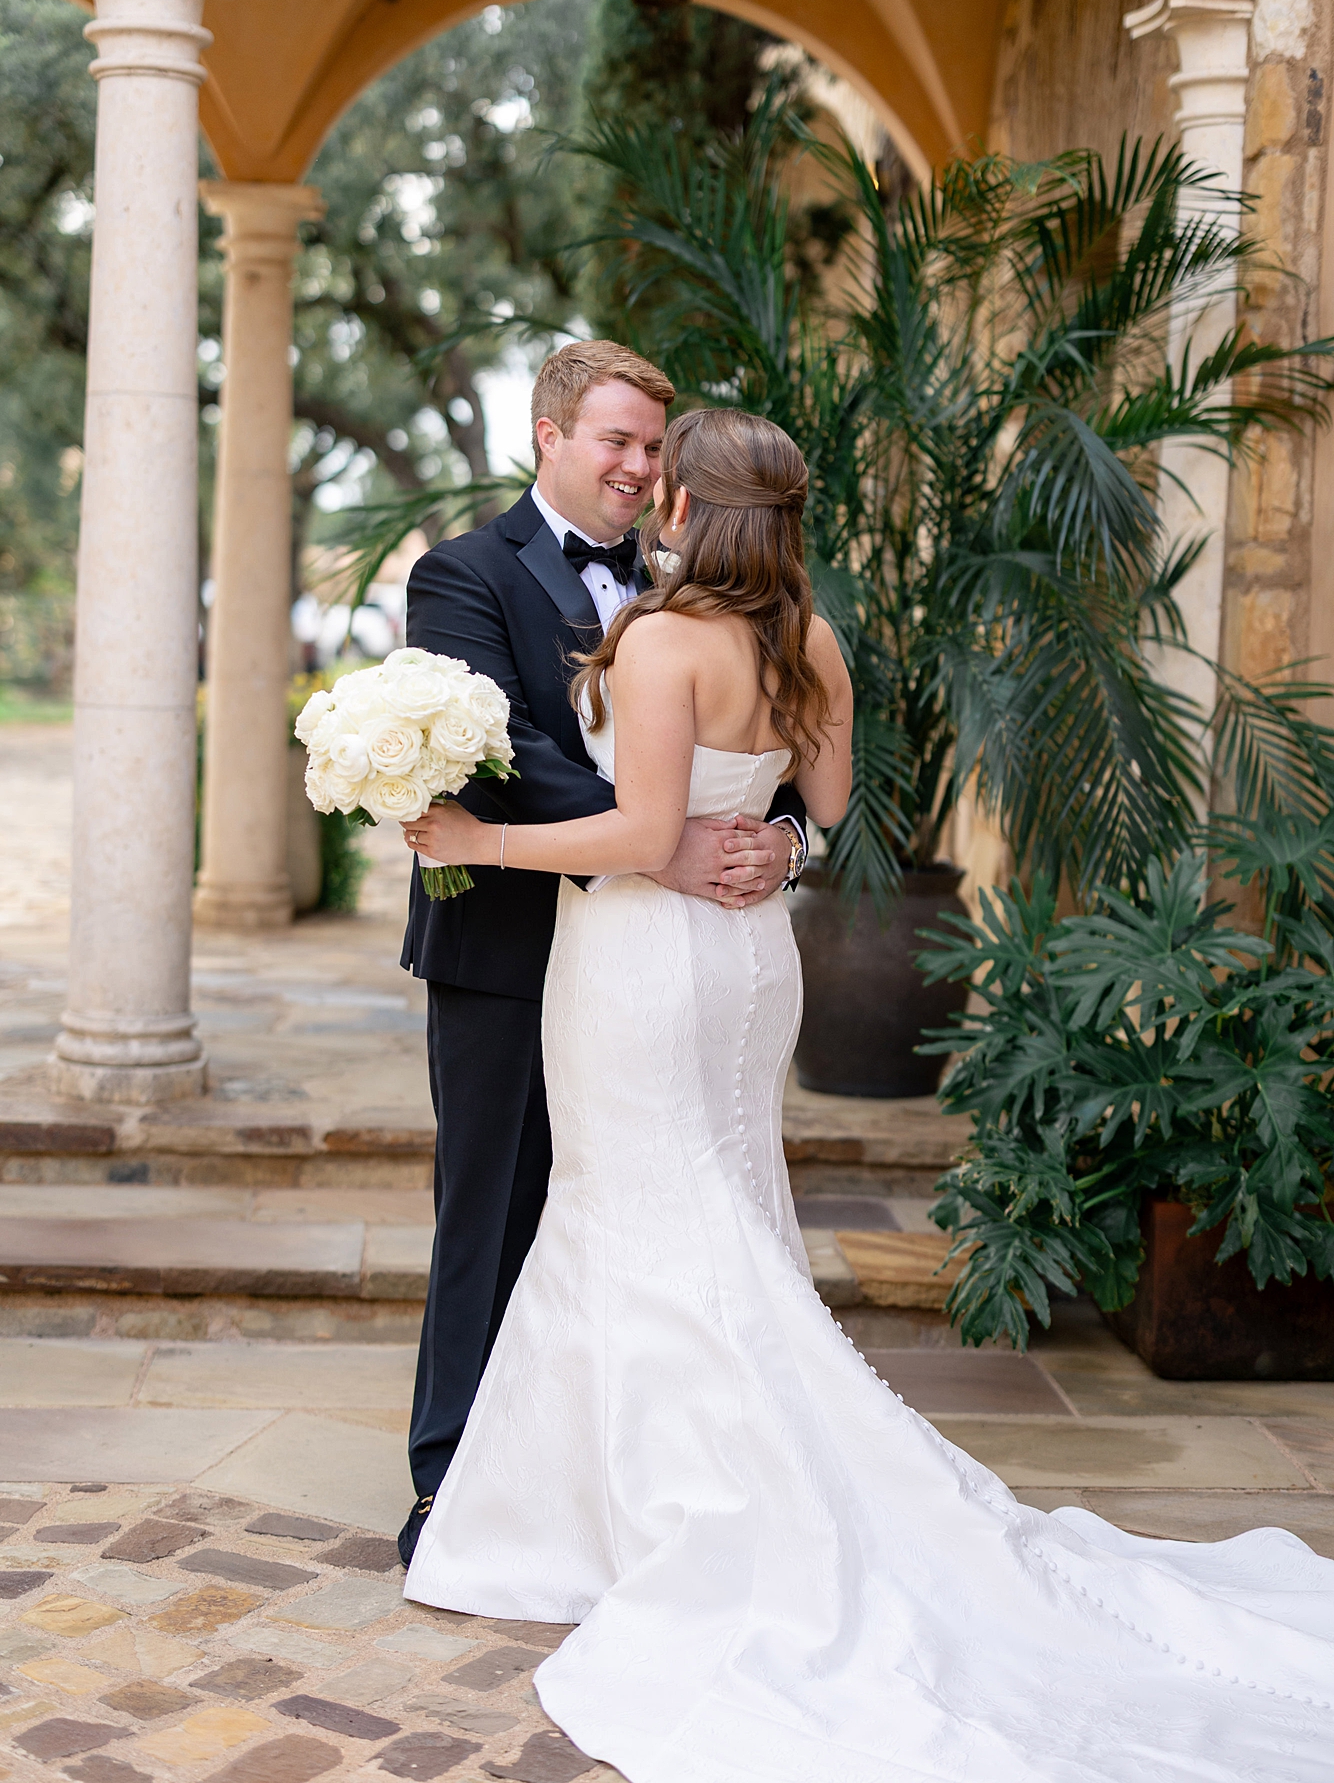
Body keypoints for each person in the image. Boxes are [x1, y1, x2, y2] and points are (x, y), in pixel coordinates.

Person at [400, 405, 1334, 1782]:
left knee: (634, 1206)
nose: (647, 486)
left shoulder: (660, 641)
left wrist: (476, 833)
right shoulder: (809, 639)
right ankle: (653, 1487)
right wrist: (766, 832)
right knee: (714, 1205)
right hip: (747, 962)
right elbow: (826, 809)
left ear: (689, 512)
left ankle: (661, 1509)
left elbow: (643, 836)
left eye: (668, 478)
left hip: (646, 957)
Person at [396, 342, 808, 1566]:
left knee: (665, 1212)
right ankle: (452, 1483)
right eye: (616, 441)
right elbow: (506, 742)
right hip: (510, 942)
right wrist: (654, 842)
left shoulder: (702, 572)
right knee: (494, 1208)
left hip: (662, 963)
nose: (636, 467)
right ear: (548, 436)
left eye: (650, 447)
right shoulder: (460, 571)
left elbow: (790, 733)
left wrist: (785, 836)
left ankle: (631, 1487)